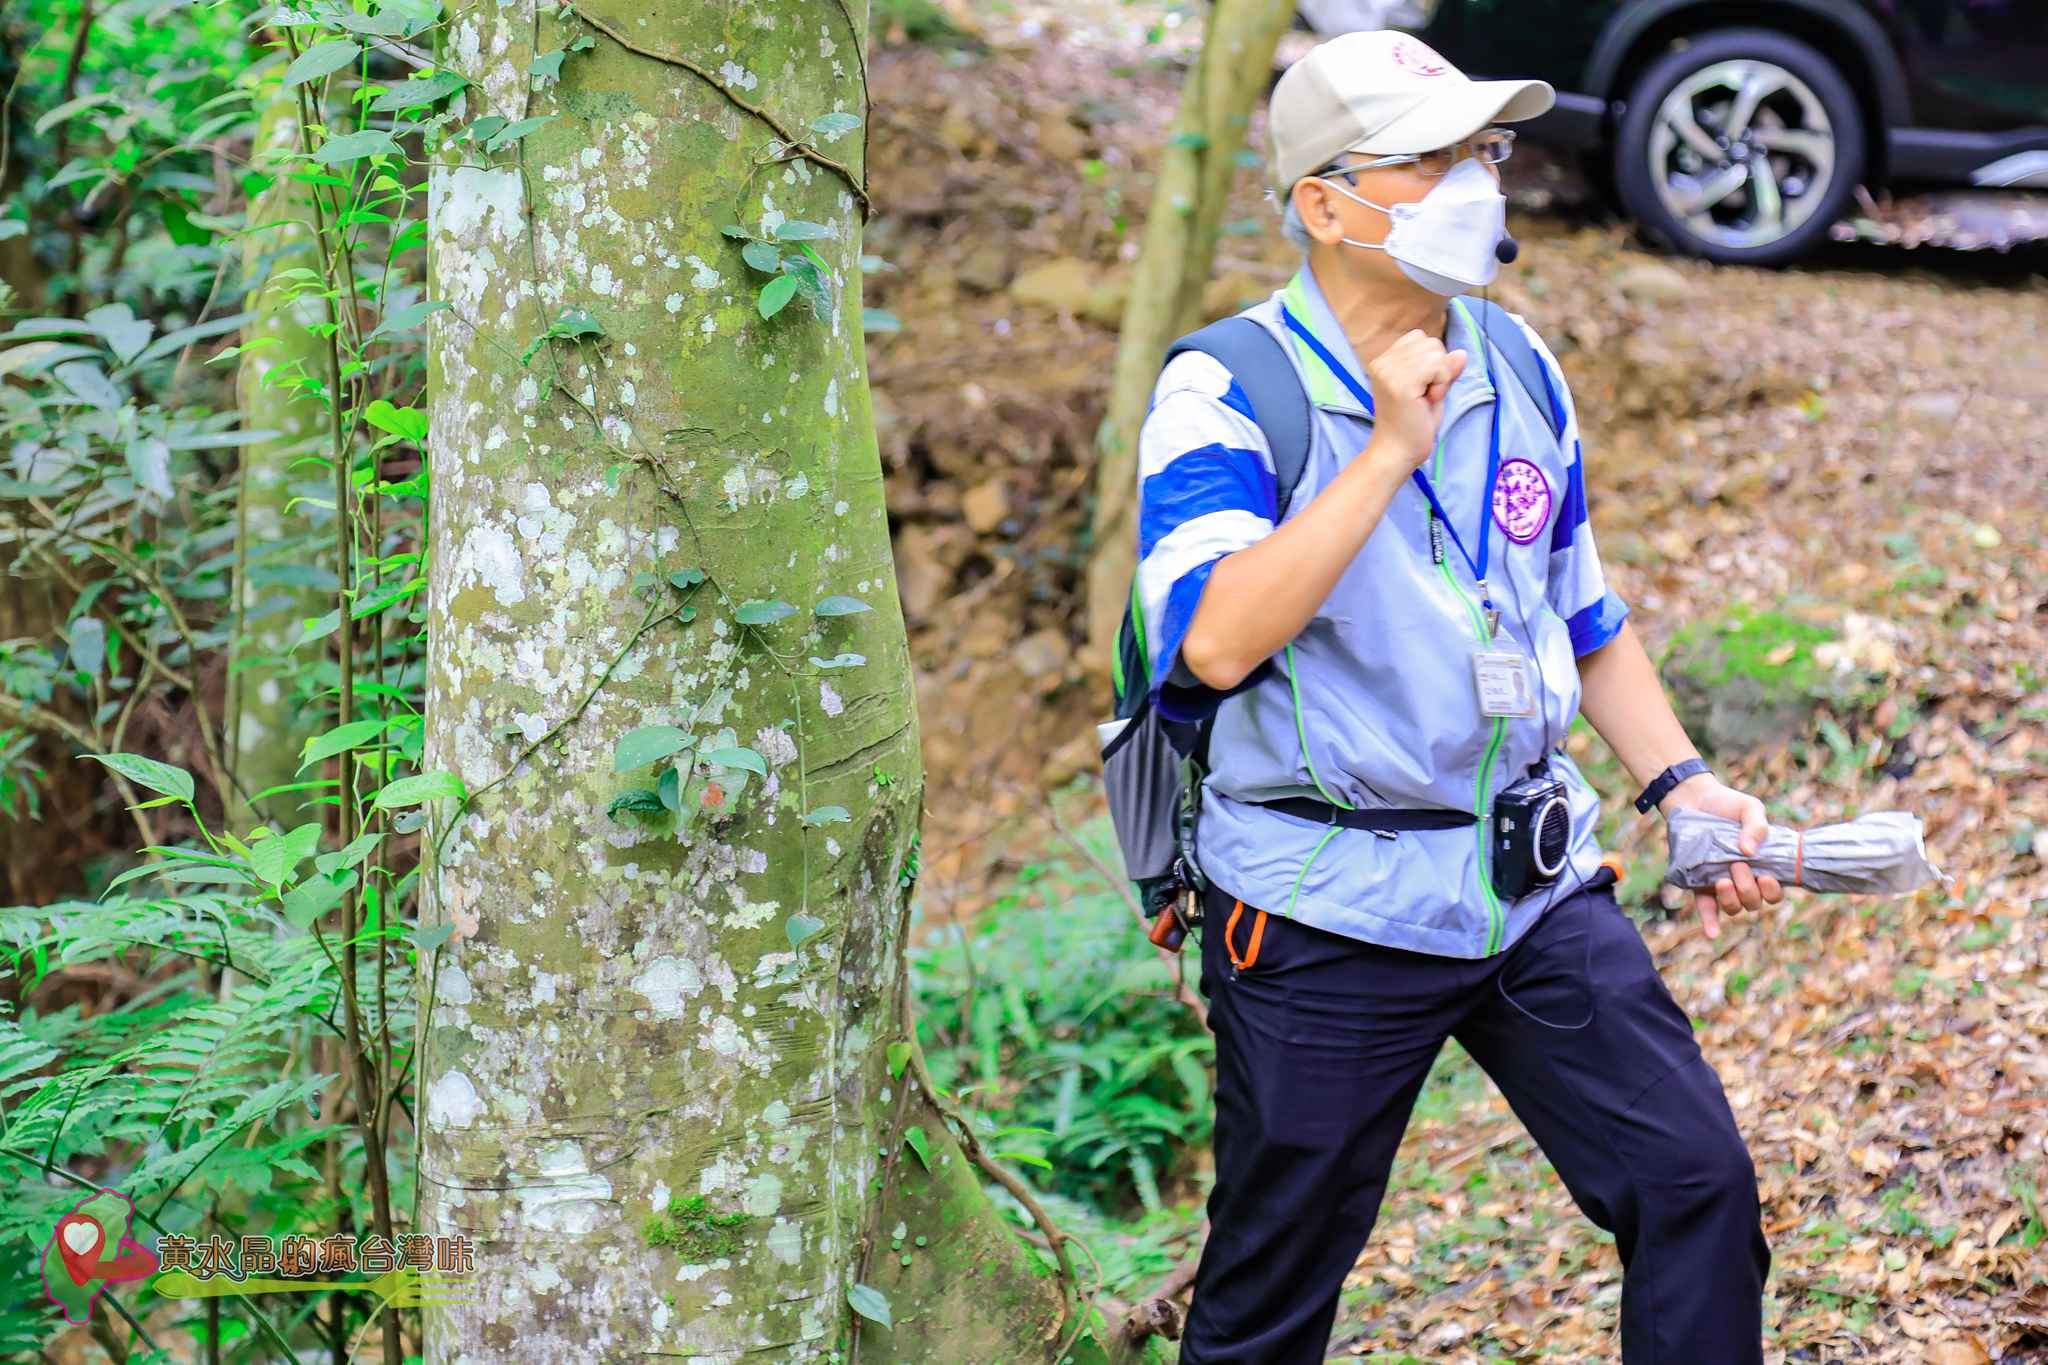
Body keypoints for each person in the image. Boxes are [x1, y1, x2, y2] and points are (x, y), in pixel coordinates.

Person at [1132, 29, 1787, 1364]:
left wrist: (1683, 784)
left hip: (1529, 883)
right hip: (1325, 904)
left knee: (1694, 1183)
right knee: (1270, 1292)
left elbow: (1582, 621)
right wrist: (1388, 451)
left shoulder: (1519, 363)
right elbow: (1209, 640)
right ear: (1326, 203)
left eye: (1482, 151)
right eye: (1431, 160)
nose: (1477, 183)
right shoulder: (1226, 387)